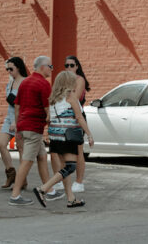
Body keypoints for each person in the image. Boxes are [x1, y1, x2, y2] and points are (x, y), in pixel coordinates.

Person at [32, 70, 94, 209]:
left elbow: (48, 119)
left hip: (55, 137)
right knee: (71, 167)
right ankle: (43, 189)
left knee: (64, 168)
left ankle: (71, 199)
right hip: (67, 137)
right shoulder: (71, 97)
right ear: (68, 82)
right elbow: (79, 117)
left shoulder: (53, 99)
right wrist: (89, 134)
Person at [8, 56, 57, 205]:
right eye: (50, 66)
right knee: (27, 161)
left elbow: (17, 106)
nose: (51, 69)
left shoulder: (25, 82)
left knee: (42, 157)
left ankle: (48, 190)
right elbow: (47, 110)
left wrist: (17, 126)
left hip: (23, 126)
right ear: (42, 67)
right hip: (34, 128)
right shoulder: (43, 84)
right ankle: (15, 195)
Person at [0, 56, 27, 189]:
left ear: (18, 67)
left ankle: (22, 180)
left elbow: (24, 105)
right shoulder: (9, 84)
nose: (9, 71)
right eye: (7, 69)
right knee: (1, 144)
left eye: (11, 68)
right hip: (9, 118)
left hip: (20, 118)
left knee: (21, 149)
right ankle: (11, 173)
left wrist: (17, 121)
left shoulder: (25, 82)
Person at [63, 55, 90, 193]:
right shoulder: (63, 81)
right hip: (63, 118)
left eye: (71, 65)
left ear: (77, 66)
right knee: (61, 151)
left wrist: (65, 95)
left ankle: (79, 182)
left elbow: (75, 97)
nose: (69, 68)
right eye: (66, 66)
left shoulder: (80, 80)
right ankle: (62, 180)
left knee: (78, 151)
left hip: (76, 117)